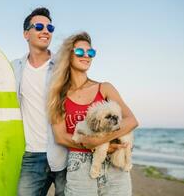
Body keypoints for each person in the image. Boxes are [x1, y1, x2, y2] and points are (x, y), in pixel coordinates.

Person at [0, 7, 67, 196]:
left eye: (50, 28)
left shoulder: (63, 66)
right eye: (39, 26)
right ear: (26, 34)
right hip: (32, 154)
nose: (45, 31)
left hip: (65, 154)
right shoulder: (14, 68)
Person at [47, 32, 138, 195]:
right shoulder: (57, 95)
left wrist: (98, 142)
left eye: (91, 52)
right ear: (69, 55)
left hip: (114, 166)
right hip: (80, 167)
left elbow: (131, 121)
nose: (86, 56)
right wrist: (90, 145)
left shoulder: (104, 88)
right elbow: (60, 137)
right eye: (80, 52)